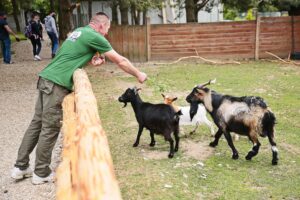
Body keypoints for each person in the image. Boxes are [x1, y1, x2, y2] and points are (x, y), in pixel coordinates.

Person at [11, 12, 147, 185]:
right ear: (100, 26)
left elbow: (71, 56)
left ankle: (20, 167)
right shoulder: (96, 36)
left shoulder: (79, 32)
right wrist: (138, 74)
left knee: (36, 124)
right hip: (57, 84)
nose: (106, 33)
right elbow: (120, 60)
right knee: (50, 128)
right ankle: (41, 172)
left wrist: (90, 59)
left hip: (46, 78)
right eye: (107, 29)